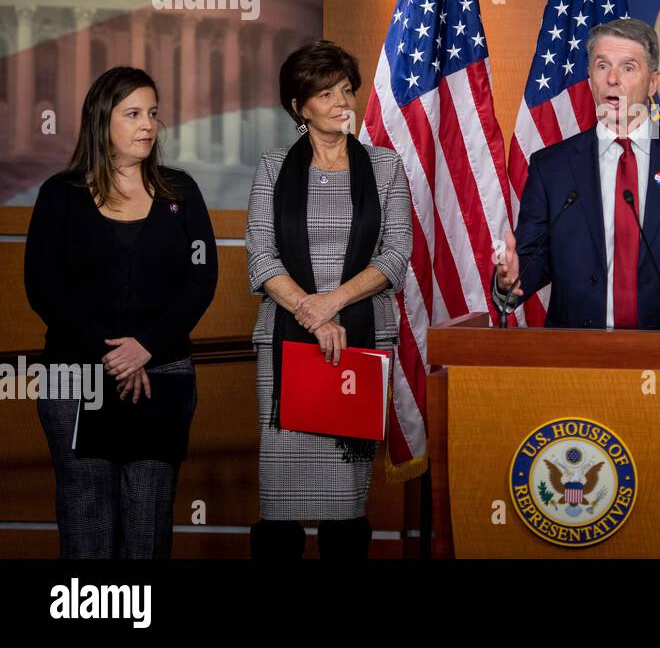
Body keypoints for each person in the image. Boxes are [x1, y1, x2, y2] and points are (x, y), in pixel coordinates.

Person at [26, 66, 217, 558]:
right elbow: (43, 288)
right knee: (86, 519)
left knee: (148, 523)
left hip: (163, 375)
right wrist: (112, 355)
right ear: (101, 120)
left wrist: (146, 348)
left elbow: (201, 281)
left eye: (152, 113)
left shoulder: (181, 193)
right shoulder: (59, 195)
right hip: (76, 378)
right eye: (133, 114)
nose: (147, 125)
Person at [246, 39, 411, 559]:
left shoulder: (385, 167)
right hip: (286, 347)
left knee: (344, 505)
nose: (343, 102)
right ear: (300, 107)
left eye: (346, 90)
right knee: (280, 505)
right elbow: (261, 256)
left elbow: (395, 255)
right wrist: (312, 316)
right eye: (326, 93)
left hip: (359, 345)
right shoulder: (273, 168)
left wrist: (329, 305)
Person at [494, 17, 660, 329]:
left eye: (628, 67)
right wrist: (509, 279)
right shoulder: (551, 167)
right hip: (574, 361)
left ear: (653, 82)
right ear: (589, 78)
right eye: (602, 66)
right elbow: (531, 259)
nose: (612, 78)